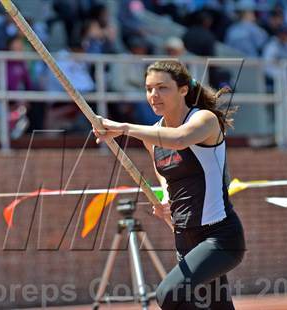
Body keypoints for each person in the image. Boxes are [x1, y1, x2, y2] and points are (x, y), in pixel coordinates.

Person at [93, 60, 245, 309]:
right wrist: (165, 199)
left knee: (169, 295)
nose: (154, 95)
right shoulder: (153, 135)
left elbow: (180, 139)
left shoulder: (204, 120)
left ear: (183, 89)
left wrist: (124, 128)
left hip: (219, 237)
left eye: (162, 88)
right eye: (149, 88)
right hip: (184, 238)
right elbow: (165, 174)